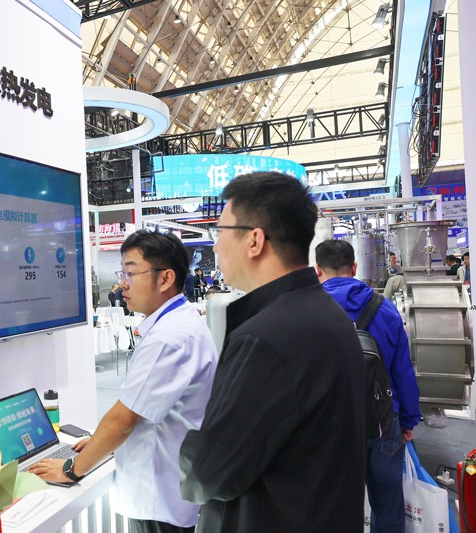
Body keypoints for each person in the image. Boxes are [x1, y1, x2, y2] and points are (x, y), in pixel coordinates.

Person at [179, 172, 366, 532]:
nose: (215, 247)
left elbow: (206, 472)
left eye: (220, 232)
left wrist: (190, 445)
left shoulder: (265, 338)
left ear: (254, 241)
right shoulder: (328, 316)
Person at [31, 229, 218, 532]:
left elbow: (123, 420)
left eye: (131, 273)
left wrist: (71, 469)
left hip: (159, 497)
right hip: (173, 484)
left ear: (165, 278)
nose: (122, 284)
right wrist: (100, 442)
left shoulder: (168, 338)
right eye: (122, 274)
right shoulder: (179, 323)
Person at [315, 239, 421, 532]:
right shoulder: (385, 309)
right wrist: (408, 420)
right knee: (387, 502)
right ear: (354, 268)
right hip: (383, 420)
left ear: (317, 270)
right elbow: (403, 370)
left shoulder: (306, 310)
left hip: (328, 426)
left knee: (331, 506)